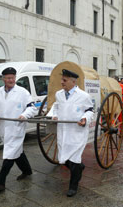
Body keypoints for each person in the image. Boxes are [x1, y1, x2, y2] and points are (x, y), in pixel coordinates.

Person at [0, 67, 37, 191]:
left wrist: (24, 115)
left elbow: (32, 108)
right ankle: (27, 170)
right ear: (3, 79)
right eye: (8, 78)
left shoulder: (23, 92)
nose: (11, 80)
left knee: (9, 155)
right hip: (4, 127)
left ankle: (1, 182)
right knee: (17, 152)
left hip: (17, 128)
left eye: (13, 77)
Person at [52, 69, 94, 197]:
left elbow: (90, 111)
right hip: (63, 130)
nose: (61, 82)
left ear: (73, 81)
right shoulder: (59, 94)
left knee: (74, 159)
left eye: (64, 80)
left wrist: (84, 119)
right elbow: (56, 107)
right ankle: (79, 167)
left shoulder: (83, 96)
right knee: (63, 158)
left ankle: (73, 187)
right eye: (62, 79)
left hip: (76, 132)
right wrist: (54, 115)